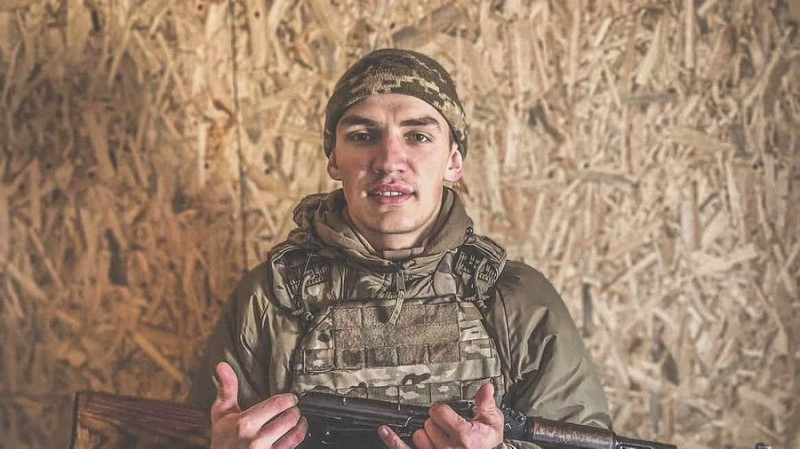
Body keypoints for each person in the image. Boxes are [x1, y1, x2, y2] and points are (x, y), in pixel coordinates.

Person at [189, 48, 611, 449]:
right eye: (362, 135)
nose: (389, 160)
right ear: (333, 159)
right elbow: (192, 435)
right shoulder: (271, 298)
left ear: (453, 161)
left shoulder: (515, 299)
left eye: (418, 136)